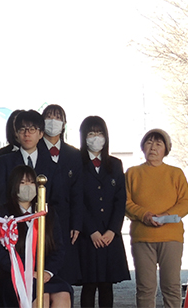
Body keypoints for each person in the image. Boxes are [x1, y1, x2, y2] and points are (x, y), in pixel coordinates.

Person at [124, 129, 188, 308]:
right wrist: (144, 215)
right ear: (143, 147)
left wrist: (167, 216)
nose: (153, 147)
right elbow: (125, 202)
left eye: (158, 144)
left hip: (171, 237)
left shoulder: (175, 173)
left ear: (166, 149)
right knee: (145, 288)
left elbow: (186, 202)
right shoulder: (132, 173)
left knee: (171, 286)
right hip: (142, 238)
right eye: (149, 143)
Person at [0, 165, 71, 308]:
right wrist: (24, 272)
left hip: (42, 274)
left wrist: (47, 271)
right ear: (14, 185)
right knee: (42, 297)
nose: (28, 186)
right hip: (13, 276)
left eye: (32, 182)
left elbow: (58, 248)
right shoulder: (2, 214)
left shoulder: (46, 212)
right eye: (23, 182)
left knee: (63, 294)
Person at [75, 116, 130, 308]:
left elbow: (120, 200)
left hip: (109, 235)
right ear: (84, 137)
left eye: (99, 133)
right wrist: (92, 230)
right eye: (91, 134)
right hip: (88, 236)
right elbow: (77, 201)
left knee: (107, 284)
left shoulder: (115, 164)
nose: (96, 138)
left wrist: (112, 230)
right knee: (89, 285)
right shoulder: (77, 163)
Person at [39, 104, 84, 285]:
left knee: (65, 274)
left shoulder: (74, 154)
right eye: (49, 117)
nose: (53, 121)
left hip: (66, 221)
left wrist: (77, 223)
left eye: (58, 117)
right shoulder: (35, 151)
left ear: (64, 124)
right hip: (41, 219)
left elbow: (78, 193)